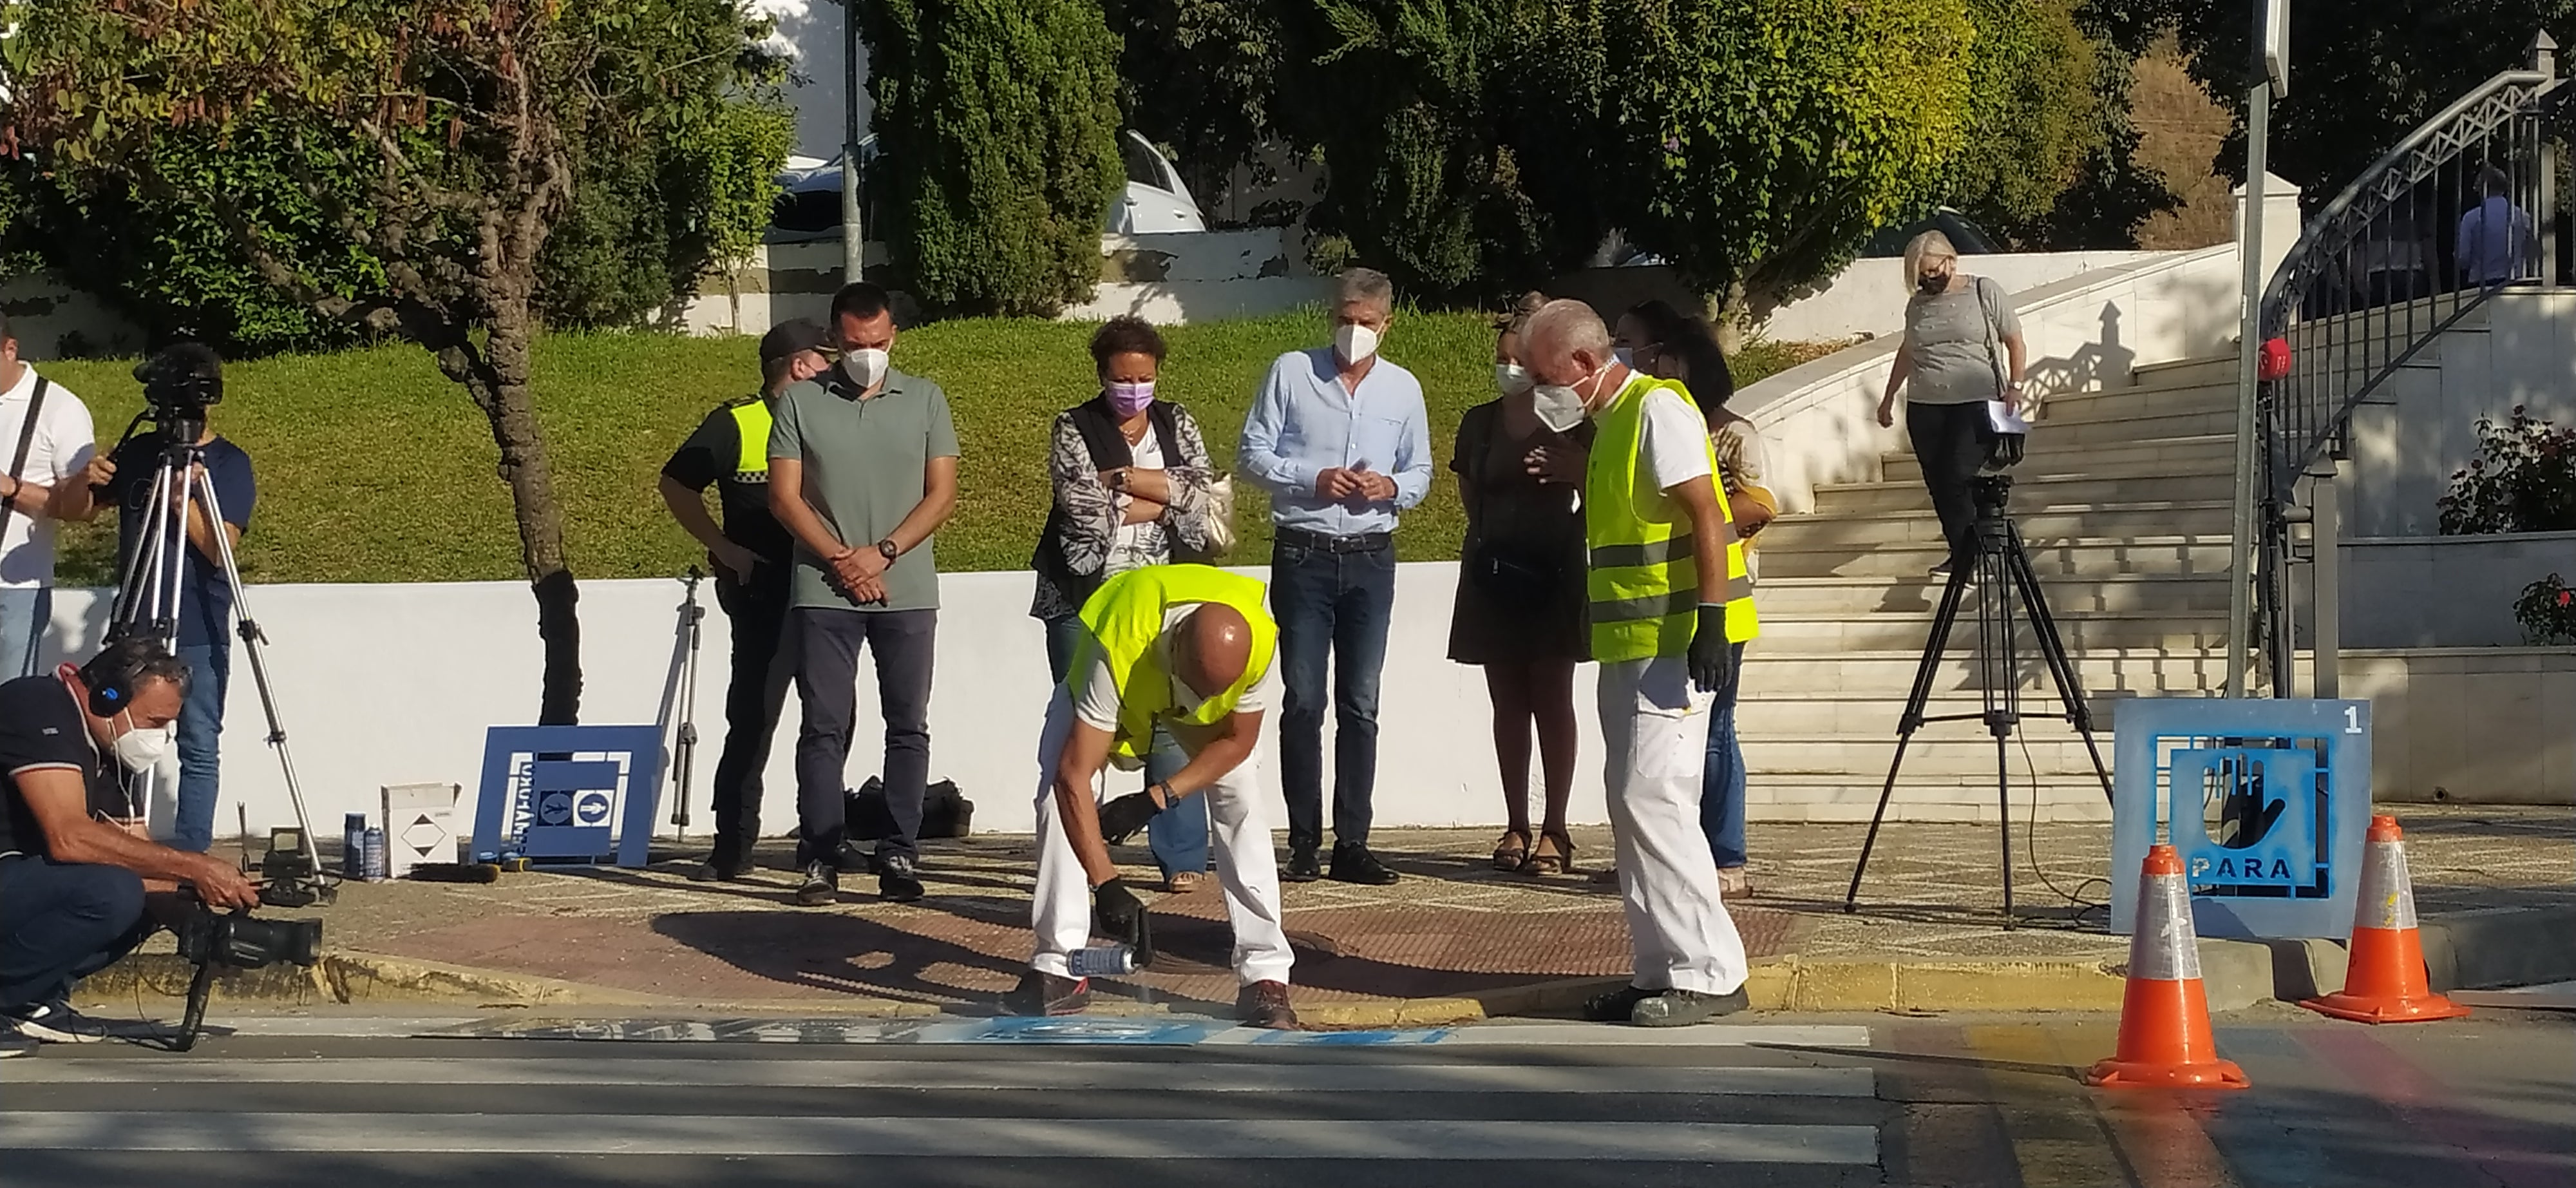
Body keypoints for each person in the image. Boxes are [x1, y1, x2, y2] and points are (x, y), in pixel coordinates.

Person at [1520, 298, 1759, 1028]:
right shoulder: (1613, 423)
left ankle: (1710, 972)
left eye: (1543, 376)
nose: (1536, 390)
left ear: (1584, 362)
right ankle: (1657, 969)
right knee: (1631, 802)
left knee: (1657, 798)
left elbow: (1706, 512)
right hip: (1632, 644)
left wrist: (1711, 621)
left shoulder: (1657, 409)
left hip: (1676, 642)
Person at [1007, 564, 1297, 1030]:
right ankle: (1059, 965)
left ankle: (1265, 973)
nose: (1198, 704)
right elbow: (1073, 775)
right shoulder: (1122, 638)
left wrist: (1156, 798)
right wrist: (1107, 884)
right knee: (1055, 798)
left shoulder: (1258, 640)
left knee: (1240, 794)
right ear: (1175, 644)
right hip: (1125, 678)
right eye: (1196, 689)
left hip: (1193, 695)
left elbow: (1237, 741)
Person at [1237, 267, 1432, 886]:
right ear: (1332, 317)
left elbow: (1421, 472)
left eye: (1366, 323)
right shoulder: (1292, 372)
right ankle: (1303, 842)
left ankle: (1353, 842)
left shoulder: (1402, 389)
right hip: (1304, 553)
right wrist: (1311, 477)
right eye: (1345, 320)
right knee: (1303, 700)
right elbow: (1252, 453)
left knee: (1361, 703)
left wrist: (1390, 486)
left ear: (1387, 325)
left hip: (1371, 556)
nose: (1354, 331)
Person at [769, 283, 960, 907]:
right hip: (823, 589)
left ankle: (899, 850)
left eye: (876, 342)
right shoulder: (801, 403)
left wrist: (883, 552)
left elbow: (941, 494)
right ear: (835, 339)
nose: (867, 354)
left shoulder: (926, 398)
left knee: (907, 724)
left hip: (907, 587)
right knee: (823, 725)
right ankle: (820, 855)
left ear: (893, 336)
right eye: (854, 345)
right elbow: (785, 497)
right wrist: (841, 559)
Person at [1030, 316, 1227, 893]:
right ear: (1102, 375)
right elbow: (1081, 513)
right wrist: (1165, 495)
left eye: (1144, 378)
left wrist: (1120, 479)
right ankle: (1079, 857)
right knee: (1079, 727)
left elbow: (1205, 497)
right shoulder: (1073, 426)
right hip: (1085, 597)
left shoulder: (1177, 421)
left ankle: (1181, 854)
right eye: (1123, 378)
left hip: (1166, 595)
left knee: (1171, 720)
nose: (1134, 389)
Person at [0, 637, 261, 1055]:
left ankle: (30, 999)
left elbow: (139, 854)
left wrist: (205, 927)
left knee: (154, 888)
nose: (159, 737)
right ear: (108, 698)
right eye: (154, 722)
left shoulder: (108, 746)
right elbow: (69, 837)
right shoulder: (36, 705)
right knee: (113, 890)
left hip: (20, 879)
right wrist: (196, 867)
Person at [660, 318, 835, 881]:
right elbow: (676, 483)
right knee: (754, 718)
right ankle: (732, 847)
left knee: (831, 720)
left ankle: (823, 845)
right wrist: (723, 548)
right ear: (800, 366)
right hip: (763, 592)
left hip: (828, 589)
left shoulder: (835, 418)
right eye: (825, 360)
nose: (835, 370)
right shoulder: (737, 421)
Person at [63, 344, 254, 855]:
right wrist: (86, 480)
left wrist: (182, 502)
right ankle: (122, 840)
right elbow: (82, 511)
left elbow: (220, 548)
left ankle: (190, 854)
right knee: (117, 736)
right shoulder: (140, 452)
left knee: (198, 741)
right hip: (137, 624)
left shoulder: (230, 463)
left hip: (198, 626)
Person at [1620, 308, 1775, 897]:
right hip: (1662, 600)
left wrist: (1700, 523)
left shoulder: (1732, 433)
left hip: (1720, 598)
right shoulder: (1644, 423)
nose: (1627, 358)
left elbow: (1760, 503)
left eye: (1634, 345)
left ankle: (1726, 854)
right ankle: (1670, 854)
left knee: (1715, 731)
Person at [1448, 292, 1588, 877]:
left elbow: (1598, 484)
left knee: (1552, 699)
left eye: (1520, 361)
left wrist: (1572, 473)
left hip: (1554, 570)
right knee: (1507, 703)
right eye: (1502, 359)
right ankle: (1515, 823)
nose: (1510, 370)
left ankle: (1556, 827)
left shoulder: (1572, 418)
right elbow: (1470, 492)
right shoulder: (1478, 423)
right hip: (1493, 573)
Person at [1874, 232, 2025, 579]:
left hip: (1975, 401)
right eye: (1921, 275)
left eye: (1932, 270)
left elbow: (2015, 341)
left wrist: (2015, 387)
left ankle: (1973, 554)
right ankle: (1962, 553)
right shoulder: (1917, 305)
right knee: (1939, 483)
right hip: (1925, 404)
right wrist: (1888, 397)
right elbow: (1908, 351)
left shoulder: (1983, 291)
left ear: (1951, 260)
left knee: (1959, 474)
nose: (1928, 279)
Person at [0, 313, 97, 679]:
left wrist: (12, 488)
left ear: (10, 349)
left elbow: (82, 508)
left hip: (15, 588)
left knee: (11, 703)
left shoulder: (58, 408)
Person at [2458, 165, 2536, 289]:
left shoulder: (2471, 218)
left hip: (2481, 284)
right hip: (2516, 282)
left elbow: (2463, 257)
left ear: (2481, 189)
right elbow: (2532, 250)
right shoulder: (2521, 216)